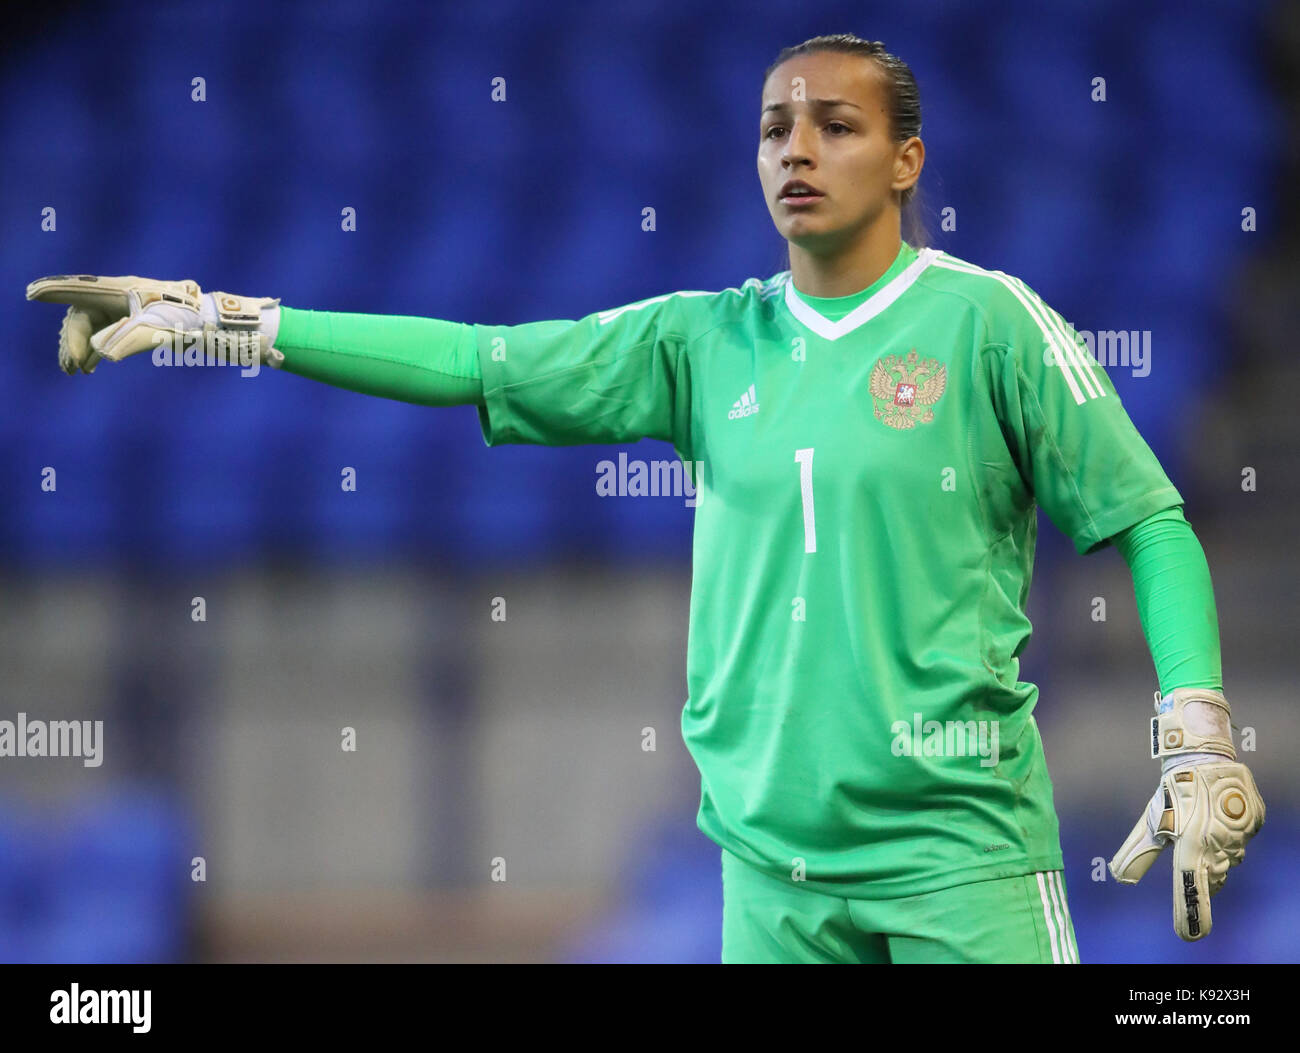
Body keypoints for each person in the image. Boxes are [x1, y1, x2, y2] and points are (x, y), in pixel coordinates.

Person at [27, 33, 1263, 964]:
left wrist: (1196, 728)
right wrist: (233, 325)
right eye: (775, 126)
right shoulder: (700, 342)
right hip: (767, 879)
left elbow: (1146, 520)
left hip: (961, 865)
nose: (795, 148)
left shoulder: (987, 324)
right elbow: (478, 359)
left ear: (905, 160)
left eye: (835, 125)